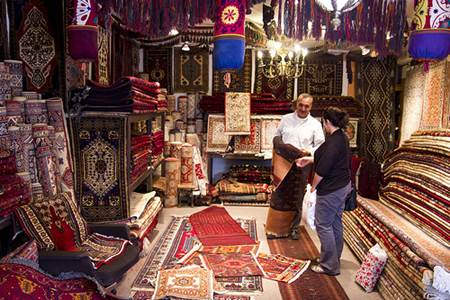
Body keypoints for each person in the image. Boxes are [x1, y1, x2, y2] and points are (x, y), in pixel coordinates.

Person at [296, 106, 352, 275]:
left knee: (323, 225)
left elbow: (322, 170)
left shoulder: (333, 142)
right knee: (334, 222)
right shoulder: (341, 137)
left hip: (332, 189)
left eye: (324, 123)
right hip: (342, 186)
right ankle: (334, 258)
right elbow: (331, 159)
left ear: (327, 122)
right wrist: (309, 159)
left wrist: (312, 188)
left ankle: (329, 265)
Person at [265, 93, 325, 240]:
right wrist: (280, 145)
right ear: (296, 104)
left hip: (302, 163)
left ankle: (294, 228)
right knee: (280, 193)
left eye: (307, 106)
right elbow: (277, 136)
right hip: (284, 162)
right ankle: (276, 228)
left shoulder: (315, 125)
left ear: (311, 106)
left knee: (297, 195)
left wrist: (308, 151)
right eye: (301, 105)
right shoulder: (286, 119)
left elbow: (320, 146)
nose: (303, 109)